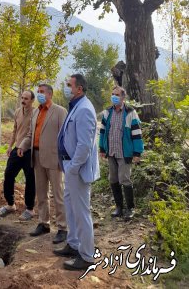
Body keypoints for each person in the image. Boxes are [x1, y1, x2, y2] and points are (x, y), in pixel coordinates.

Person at [56, 74, 100, 271]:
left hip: (77, 170)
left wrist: (73, 167)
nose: (66, 88)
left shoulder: (85, 110)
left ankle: (87, 256)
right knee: (71, 208)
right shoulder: (76, 106)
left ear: (79, 89)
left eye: (69, 85)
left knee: (81, 212)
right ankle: (73, 244)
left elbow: (84, 145)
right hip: (69, 167)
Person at [18, 83, 67, 244]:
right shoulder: (36, 112)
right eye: (38, 92)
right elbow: (31, 134)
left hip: (53, 158)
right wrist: (23, 146)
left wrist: (64, 157)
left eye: (42, 92)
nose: (39, 94)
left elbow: (64, 137)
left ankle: (62, 228)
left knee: (58, 194)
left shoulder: (59, 112)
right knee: (41, 193)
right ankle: (43, 223)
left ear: (50, 94)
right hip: (36, 156)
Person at [99, 86, 144, 220]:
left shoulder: (130, 112)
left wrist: (137, 152)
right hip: (111, 152)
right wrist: (102, 149)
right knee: (113, 179)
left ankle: (130, 208)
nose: (114, 96)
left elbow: (136, 133)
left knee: (125, 179)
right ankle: (119, 207)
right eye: (112, 94)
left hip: (125, 152)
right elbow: (102, 131)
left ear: (123, 97)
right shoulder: (107, 112)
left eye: (117, 95)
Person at [0, 90, 36, 220]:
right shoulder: (17, 112)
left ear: (32, 100)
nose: (23, 100)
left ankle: (30, 209)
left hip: (29, 151)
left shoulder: (36, 113)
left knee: (30, 179)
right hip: (17, 148)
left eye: (26, 98)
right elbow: (14, 130)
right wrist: (10, 145)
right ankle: (10, 204)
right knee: (8, 174)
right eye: (22, 98)